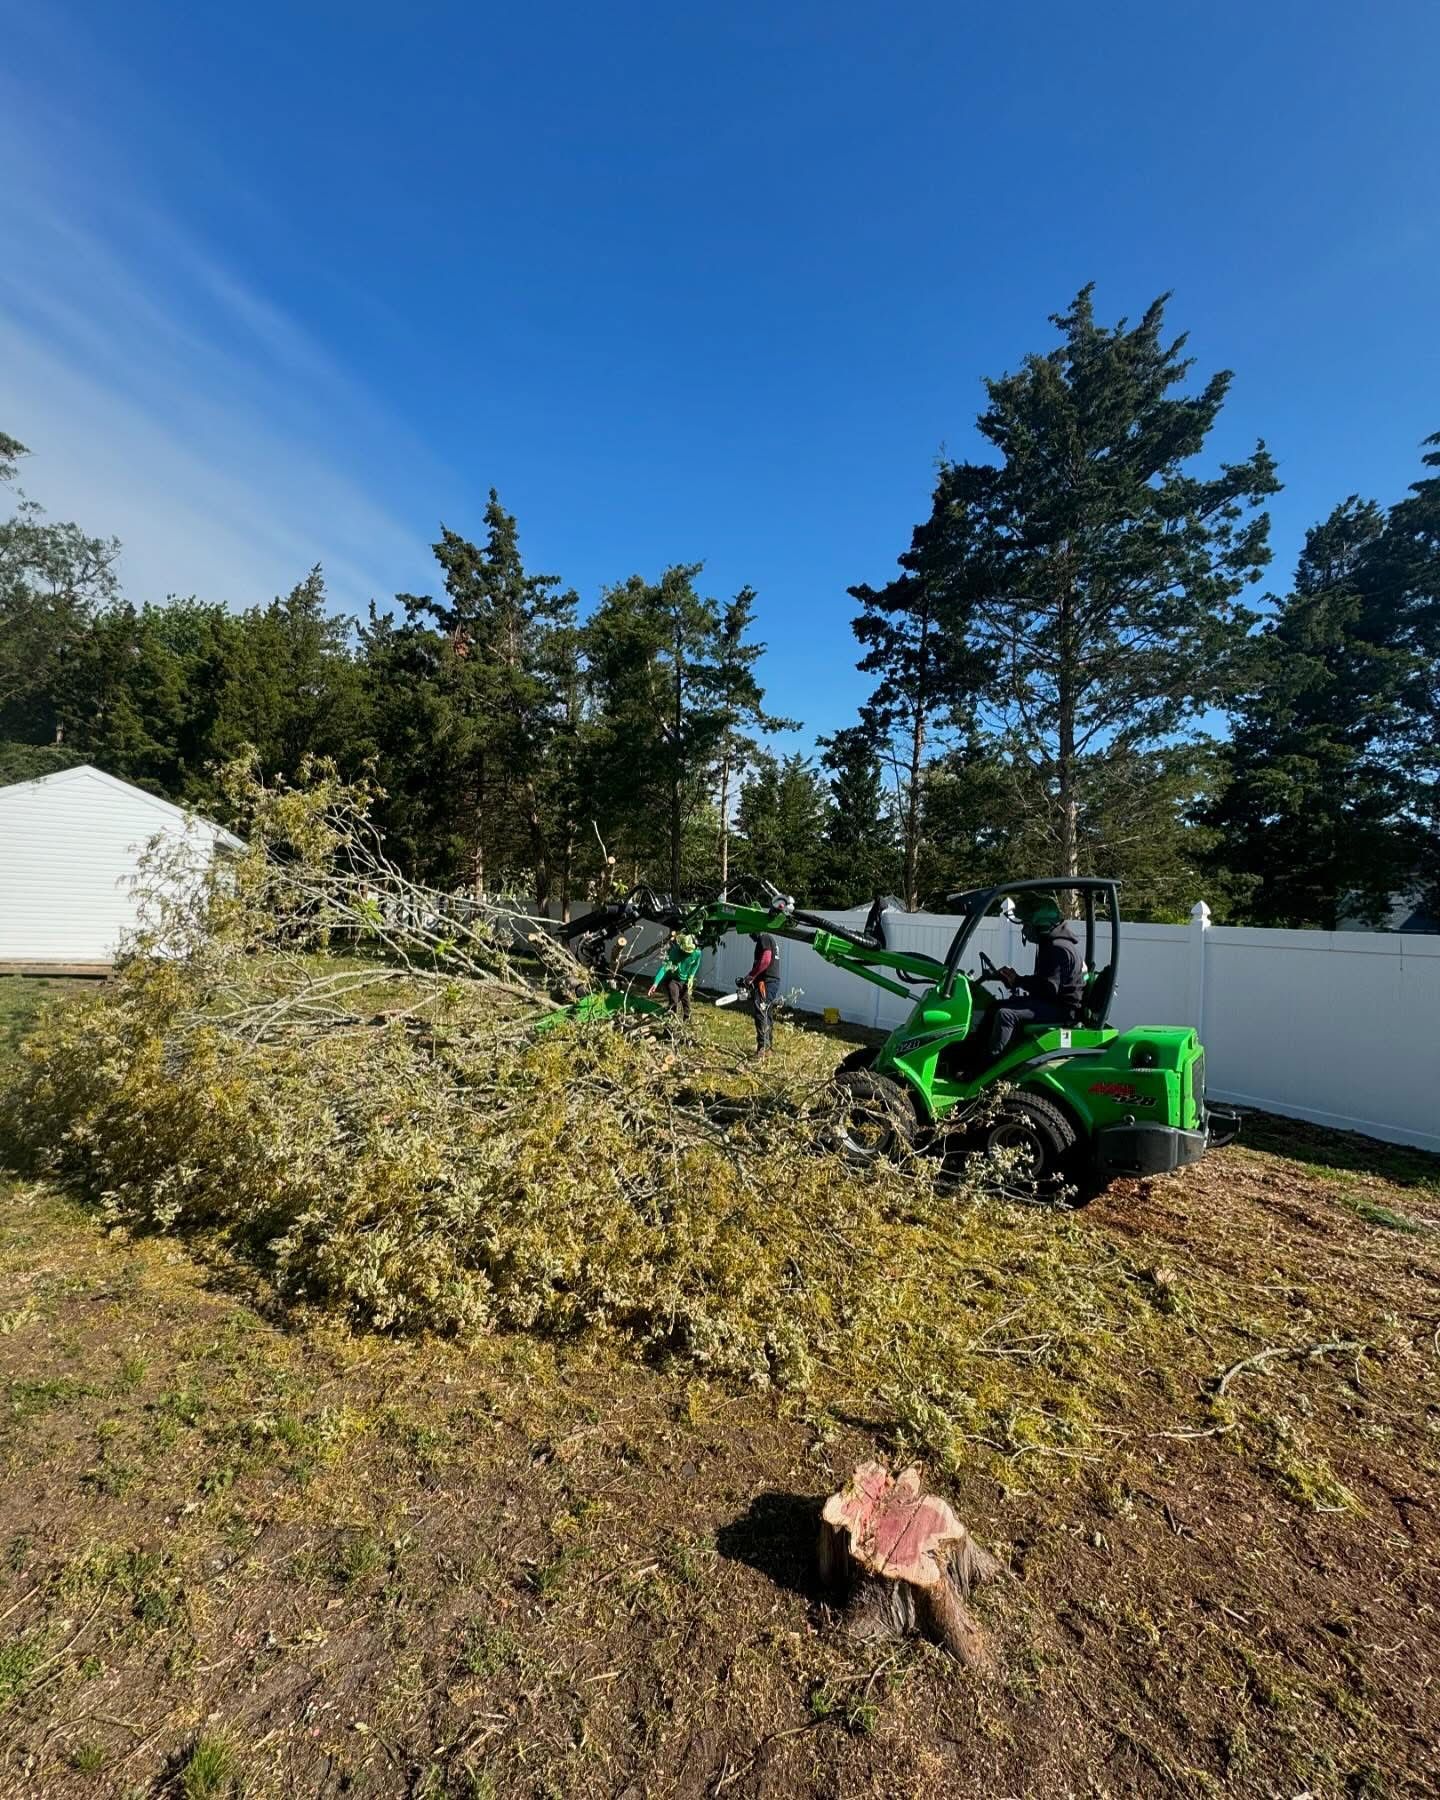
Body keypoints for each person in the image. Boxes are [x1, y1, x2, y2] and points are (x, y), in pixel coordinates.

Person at [989, 895, 1084, 1060]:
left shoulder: (1057, 948)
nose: (1024, 929)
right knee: (993, 1006)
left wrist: (1018, 981)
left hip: (1062, 1010)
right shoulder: (1052, 944)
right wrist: (1018, 980)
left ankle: (990, 1065)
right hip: (1054, 1002)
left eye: (1026, 924)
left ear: (1040, 925)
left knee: (1005, 1014)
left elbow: (1049, 988)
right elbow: (1045, 984)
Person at [737, 931, 781, 1057]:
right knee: (767, 1012)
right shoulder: (769, 939)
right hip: (768, 981)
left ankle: (763, 1048)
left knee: (761, 1013)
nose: (750, 935)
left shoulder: (765, 938)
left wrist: (751, 976)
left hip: (767, 981)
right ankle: (768, 1047)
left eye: (750, 932)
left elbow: (765, 960)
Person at [648, 931, 701, 1022]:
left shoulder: (697, 953)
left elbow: (695, 965)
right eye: (685, 951)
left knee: (687, 1004)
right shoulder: (675, 952)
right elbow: (664, 968)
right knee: (674, 1001)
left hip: (683, 981)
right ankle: (670, 1024)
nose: (686, 953)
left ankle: (685, 1023)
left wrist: (691, 977)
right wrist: (656, 983)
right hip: (672, 979)